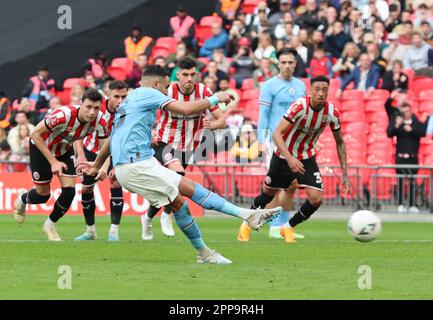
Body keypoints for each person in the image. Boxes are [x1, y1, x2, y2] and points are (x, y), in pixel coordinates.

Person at [78, 64, 281, 264]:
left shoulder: (130, 99)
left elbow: (114, 137)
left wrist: (97, 164)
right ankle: (244, 218)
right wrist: (215, 98)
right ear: (157, 84)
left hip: (135, 164)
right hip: (136, 165)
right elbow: (184, 109)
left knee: (180, 202)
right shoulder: (149, 93)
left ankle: (207, 249)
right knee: (189, 188)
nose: (167, 91)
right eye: (166, 87)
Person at [253, 75, 350, 243]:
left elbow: (340, 143)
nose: (321, 93)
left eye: (324, 90)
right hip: (283, 155)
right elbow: (277, 133)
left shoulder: (332, 112)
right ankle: (247, 223)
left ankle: (288, 227)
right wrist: (289, 158)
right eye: (317, 89)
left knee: (316, 198)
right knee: (268, 193)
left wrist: (345, 174)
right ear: (310, 91)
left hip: (306, 157)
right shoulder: (300, 106)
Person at [143, 57, 227, 240]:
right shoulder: (168, 90)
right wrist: (150, 131)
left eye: (192, 75)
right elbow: (146, 110)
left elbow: (222, 120)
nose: (189, 79)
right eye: (185, 75)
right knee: (176, 176)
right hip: (165, 143)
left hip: (188, 147)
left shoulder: (204, 91)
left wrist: (212, 125)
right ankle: (166, 216)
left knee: (169, 185)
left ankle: (148, 217)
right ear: (178, 75)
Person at [12, 89, 107, 242]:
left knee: (69, 192)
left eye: (96, 108)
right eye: (88, 107)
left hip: (64, 150)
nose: (92, 112)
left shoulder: (100, 121)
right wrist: (53, 162)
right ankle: (23, 199)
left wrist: (101, 166)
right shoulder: (64, 115)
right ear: (80, 104)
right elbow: (35, 134)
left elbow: (104, 148)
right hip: (40, 148)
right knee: (43, 196)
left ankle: (49, 225)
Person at [237, 48, 306, 242]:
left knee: (291, 186)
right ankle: (274, 226)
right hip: (275, 142)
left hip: (295, 143)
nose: (287, 66)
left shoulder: (300, 86)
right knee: (276, 186)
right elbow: (264, 115)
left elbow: (302, 117)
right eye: (283, 62)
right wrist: (261, 141)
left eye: (290, 63)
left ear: (295, 64)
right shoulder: (269, 86)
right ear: (278, 63)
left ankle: (283, 226)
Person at [73, 81, 128, 241]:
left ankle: (114, 232)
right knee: (86, 190)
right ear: (108, 95)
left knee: (115, 183)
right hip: (90, 151)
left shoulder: (128, 111)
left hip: (113, 153)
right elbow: (77, 132)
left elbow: (123, 138)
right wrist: (81, 156)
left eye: (123, 96)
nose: (120, 100)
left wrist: (115, 163)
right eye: (116, 96)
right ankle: (90, 232)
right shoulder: (96, 107)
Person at [386, 101, 426, 213]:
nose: (406, 113)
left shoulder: (416, 122)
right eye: (404, 111)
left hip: (413, 158)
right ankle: (400, 204)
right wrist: (397, 125)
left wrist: (412, 130)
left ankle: (413, 204)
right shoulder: (398, 123)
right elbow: (389, 133)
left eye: (408, 111)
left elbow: (422, 132)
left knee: (412, 182)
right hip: (400, 158)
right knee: (400, 182)